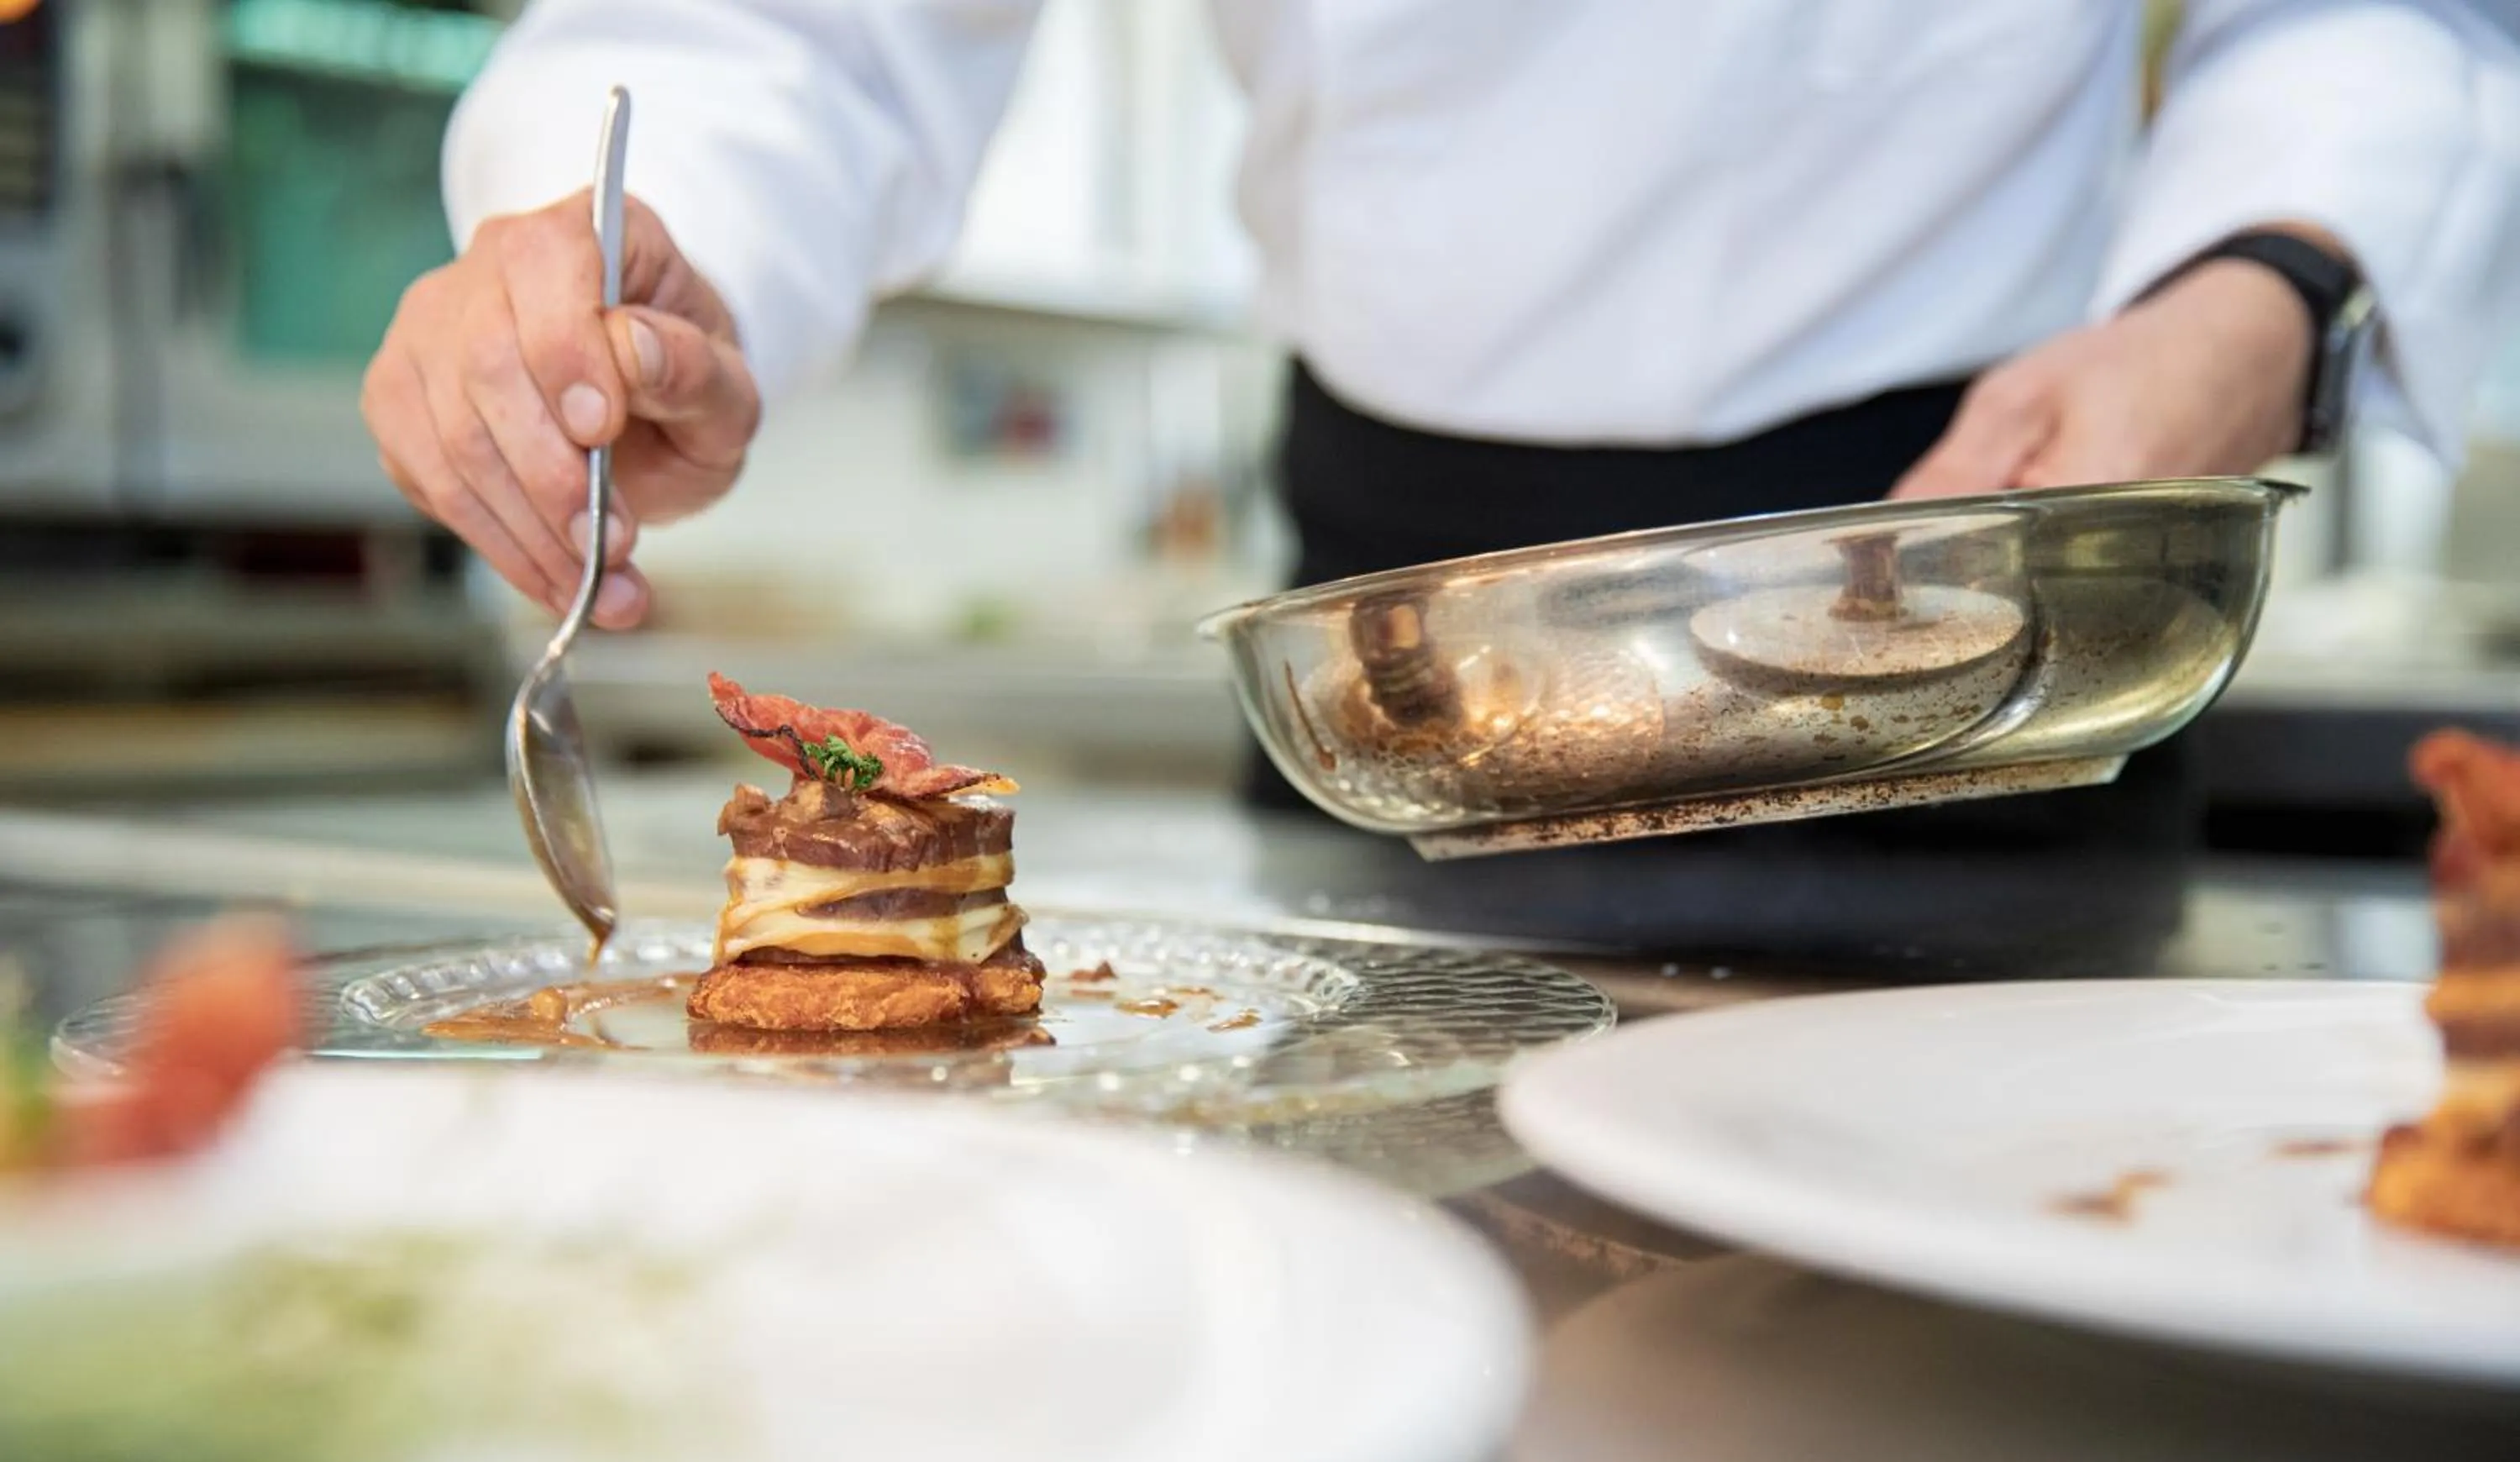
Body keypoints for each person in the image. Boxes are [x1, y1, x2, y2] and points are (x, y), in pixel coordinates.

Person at [365, 1, 2520, 828]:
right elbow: (795, 35)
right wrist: (624, 255)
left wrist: (2265, 283)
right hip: (1401, 661)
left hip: (1998, 562)